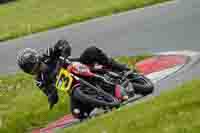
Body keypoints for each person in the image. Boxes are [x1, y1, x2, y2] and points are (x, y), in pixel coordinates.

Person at [17, 40, 130, 118]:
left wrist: (62, 57)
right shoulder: (39, 80)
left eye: (30, 65)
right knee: (78, 113)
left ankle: (122, 69)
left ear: (36, 58)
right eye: (27, 68)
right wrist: (52, 97)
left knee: (91, 50)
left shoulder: (47, 55)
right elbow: (49, 92)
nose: (32, 69)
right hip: (73, 88)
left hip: (79, 65)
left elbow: (62, 44)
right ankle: (100, 100)